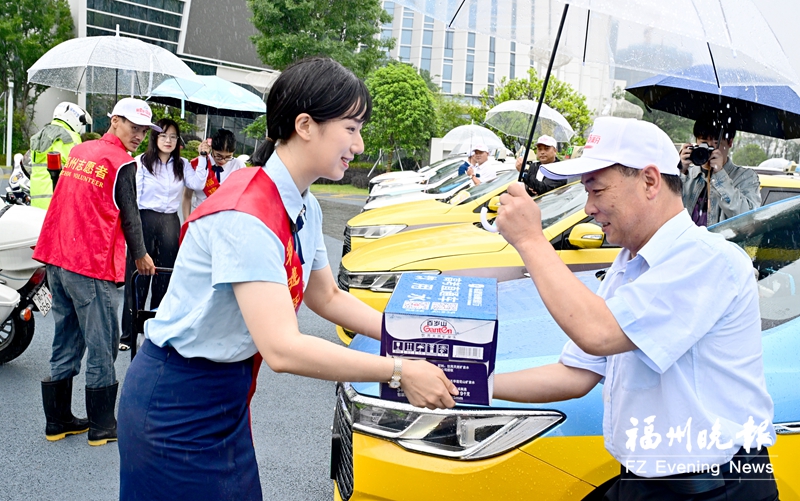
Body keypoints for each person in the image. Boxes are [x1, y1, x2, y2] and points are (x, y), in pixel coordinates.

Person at [117, 57, 458, 501]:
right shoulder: (247, 214)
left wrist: (409, 335)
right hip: (176, 403)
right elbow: (282, 348)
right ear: (305, 124)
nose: (357, 145)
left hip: (227, 395)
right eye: (351, 128)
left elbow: (327, 296)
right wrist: (398, 369)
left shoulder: (304, 203)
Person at [493, 117, 778, 500]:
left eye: (597, 190)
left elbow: (598, 333)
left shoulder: (707, 259)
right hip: (649, 481)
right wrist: (469, 384)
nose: (590, 208)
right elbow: (576, 375)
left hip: (714, 486)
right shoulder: (629, 263)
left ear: (649, 181)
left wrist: (530, 239)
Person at [32, 98, 158, 446]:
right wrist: (142, 255)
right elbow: (130, 214)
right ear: (114, 121)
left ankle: (57, 422)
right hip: (91, 264)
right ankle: (102, 426)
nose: (139, 135)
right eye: (134, 127)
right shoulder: (121, 163)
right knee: (102, 344)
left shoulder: (80, 151)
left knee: (66, 338)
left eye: (144, 130)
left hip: (58, 258)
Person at [118, 119, 210, 351]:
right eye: (163, 136)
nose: (168, 141)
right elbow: (134, 196)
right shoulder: (141, 163)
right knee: (138, 277)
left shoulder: (182, 164)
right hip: (145, 220)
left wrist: (204, 157)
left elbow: (198, 183)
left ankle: (154, 329)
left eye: (173, 137)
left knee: (164, 279)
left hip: (170, 223)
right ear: (155, 138)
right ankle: (128, 335)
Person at [679, 114, 760, 226]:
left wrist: (720, 175)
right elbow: (664, 209)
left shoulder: (746, 177)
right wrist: (679, 173)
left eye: (716, 142)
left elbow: (748, 220)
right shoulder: (687, 175)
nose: (708, 148)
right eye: (703, 141)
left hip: (722, 243)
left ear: (730, 142)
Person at [28, 102, 91, 209]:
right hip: (58, 203)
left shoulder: (41, 134)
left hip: (37, 202)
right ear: (72, 118)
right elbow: (81, 172)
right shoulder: (71, 138)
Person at [181, 128, 246, 219]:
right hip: (201, 218)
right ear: (212, 148)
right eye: (218, 156)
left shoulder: (238, 165)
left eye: (228, 157)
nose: (223, 161)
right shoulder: (198, 164)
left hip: (226, 219)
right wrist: (186, 222)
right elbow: (187, 196)